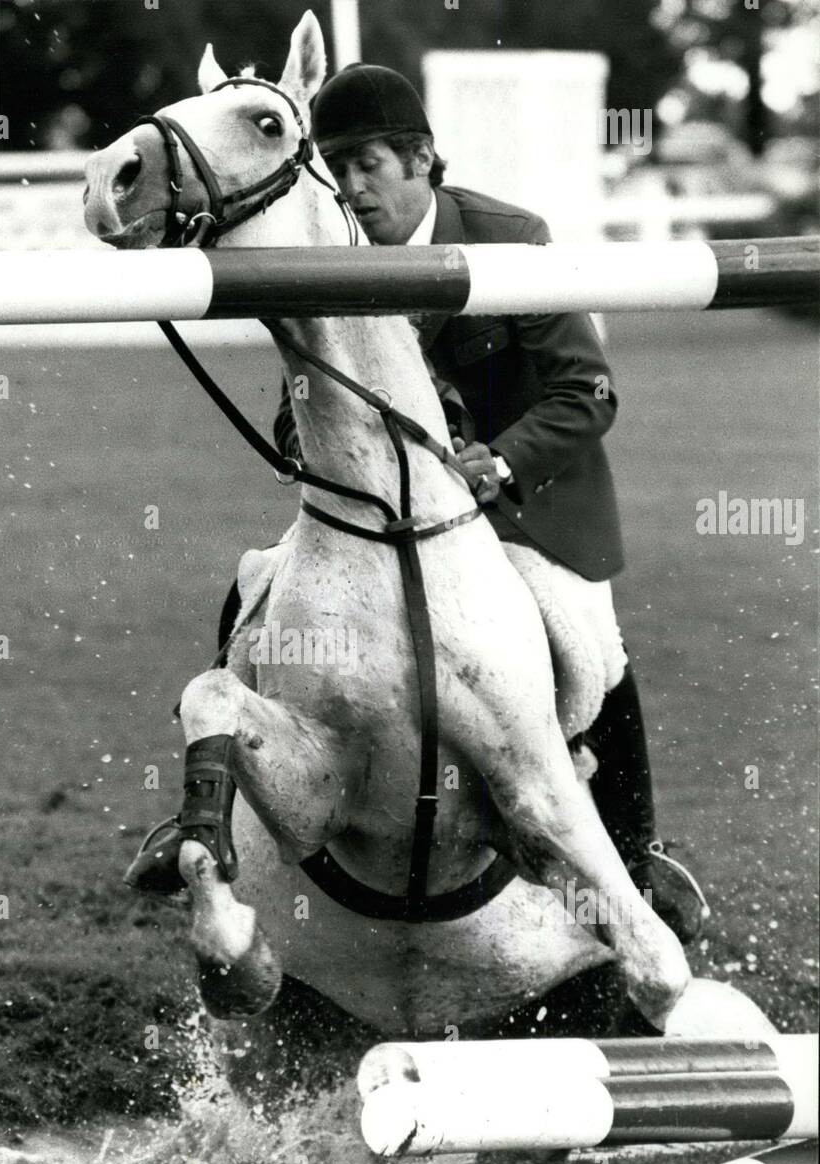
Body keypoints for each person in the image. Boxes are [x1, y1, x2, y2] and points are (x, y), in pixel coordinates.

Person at [128, 64, 707, 942]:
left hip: (526, 510)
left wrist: (497, 467)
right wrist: (299, 441)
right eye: (338, 165)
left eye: (368, 165)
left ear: (422, 160)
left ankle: (634, 856)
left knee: (595, 644)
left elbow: (586, 393)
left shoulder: (512, 238)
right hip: (377, 518)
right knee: (255, 589)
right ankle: (200, 819)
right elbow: (302, 391)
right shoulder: (329, 249)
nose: (353, 187)